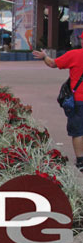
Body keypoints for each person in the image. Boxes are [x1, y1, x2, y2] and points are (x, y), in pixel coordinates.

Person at [33, 42, 83, 173]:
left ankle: (80, 161)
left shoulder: (75, 55)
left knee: (78, 131)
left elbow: (52, 63)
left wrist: (44, 56)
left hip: (78, 100)